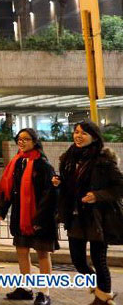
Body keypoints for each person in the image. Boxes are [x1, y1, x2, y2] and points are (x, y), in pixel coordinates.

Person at [53, 121, 123, 305]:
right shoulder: (68, 158)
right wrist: (59, 182)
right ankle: (102, 292)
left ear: (94, 136)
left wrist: (97, 195)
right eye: (76, 132)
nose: (78, 136)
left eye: (83, 133)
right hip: (75, 216)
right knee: (78, 260)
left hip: (97, 218)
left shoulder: (103, 160)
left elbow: (119, 187)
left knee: (99, 260)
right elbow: (71, 184)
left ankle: (102, 297)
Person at [0, 128, 58, 305]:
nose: (21, 142)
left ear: (34, 141)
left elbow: (50, 193)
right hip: (20, 216)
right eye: (19, 139)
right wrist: (1, 212)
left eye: (26, 139)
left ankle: (44, 293)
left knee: (42, 253)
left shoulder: (43, 165)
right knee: (22, 251)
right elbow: (10, 191)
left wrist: (41, 217)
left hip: (41, 218)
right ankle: (26, 288)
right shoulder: (17, 162)